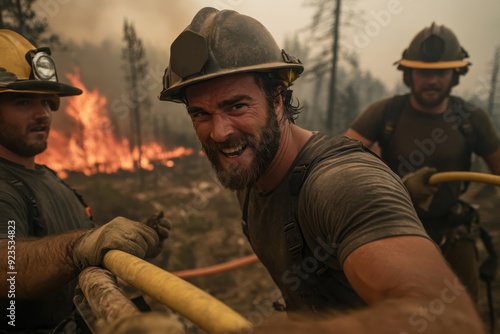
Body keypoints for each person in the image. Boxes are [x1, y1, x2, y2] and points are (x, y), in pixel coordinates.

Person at [158, 8, 484, 333]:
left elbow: (449, 322)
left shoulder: (339, 184)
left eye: (237, 106)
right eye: (200, 114)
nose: (219, 132)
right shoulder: (249, 171)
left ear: (278, 100)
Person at [0, 29, 170, 333]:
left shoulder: (50, 178)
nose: (42, 113)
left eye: (47, 102)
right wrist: (79, 246)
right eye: (24, 102)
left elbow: (83, 253)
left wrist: (125, 245)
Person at [345, 23, 500, 302]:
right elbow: (341, 166)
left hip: (453, 234)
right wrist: (397, 186)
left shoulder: (471, 119)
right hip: (390, 231)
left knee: (463, 317)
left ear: (455, 75)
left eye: (441, 72)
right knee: (390, 313)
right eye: (424, 72)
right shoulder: (384, 113)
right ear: (409, 74)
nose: (432, 80)